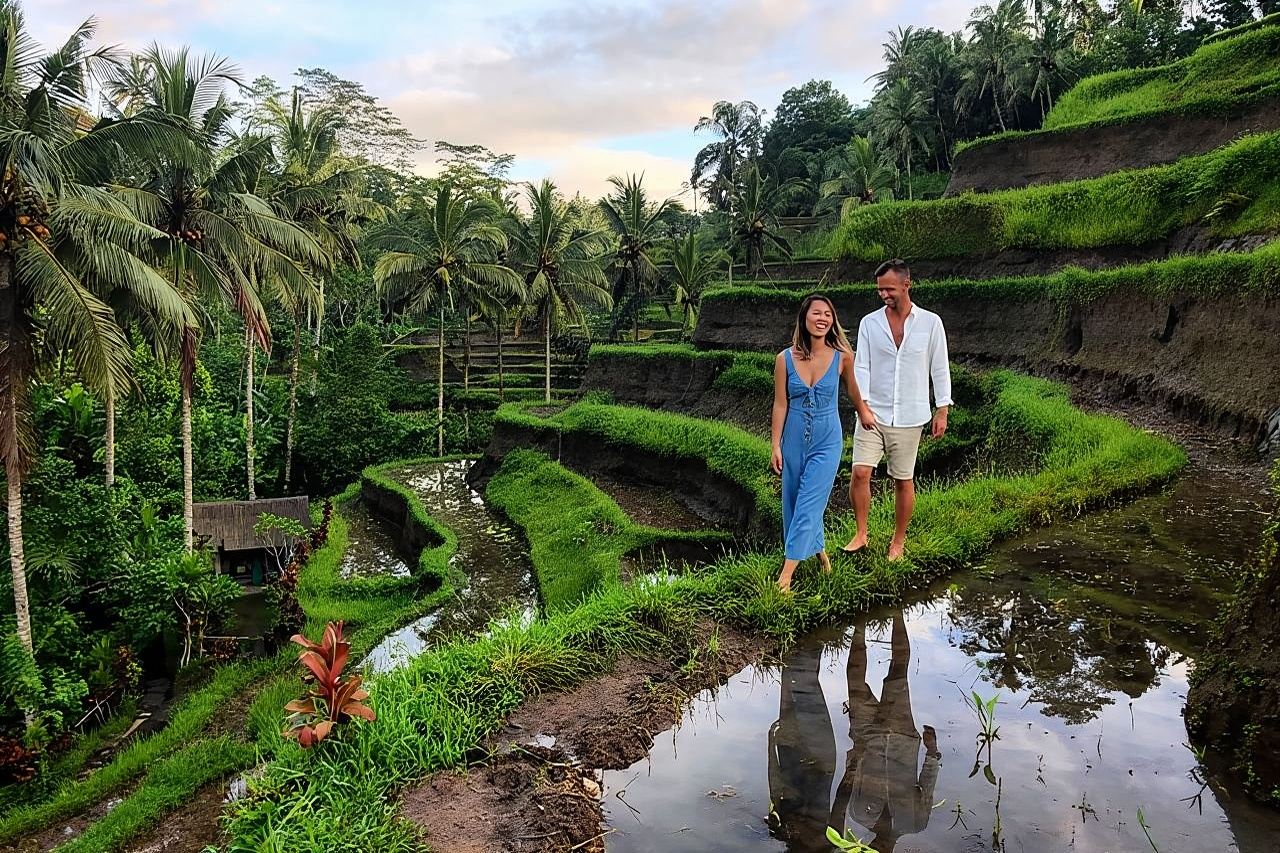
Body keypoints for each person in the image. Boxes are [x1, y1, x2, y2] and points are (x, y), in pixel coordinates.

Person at [842, 259, 952, 561]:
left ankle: (898, 542)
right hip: (872, 413)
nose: (883, 294)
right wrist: (862, 407)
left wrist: (942, 409)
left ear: (907, 284)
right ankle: (862, 533)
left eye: (888, 289)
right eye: (879, 290)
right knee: (861, 472)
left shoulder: (931, 323)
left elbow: (939, 367)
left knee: (903, 480)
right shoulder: (869, 323)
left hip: (910, 416)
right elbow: (861, 366)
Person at [771, 294, 875, 592]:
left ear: (833, 321)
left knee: (809, 501)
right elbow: (780, 405)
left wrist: (864, 412)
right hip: (792, 440)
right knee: (793, 502)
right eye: (816, 313)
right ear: (804, 318)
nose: (822, 318)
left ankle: (786, 574)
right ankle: (823, 557)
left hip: (827, 441)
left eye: (828, 314)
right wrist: (775, 445)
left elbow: (853, 391)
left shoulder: (843, 356)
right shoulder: (784, 359)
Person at [829, 613, 941, 852]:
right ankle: (897, 612)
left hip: (866, 738)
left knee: (854, 679)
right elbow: (927, 786)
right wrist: (932, 750)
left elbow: (852, 774)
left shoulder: (859, 814)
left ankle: (859, 623)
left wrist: (857, 749)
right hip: (902, 738)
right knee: (899, 671)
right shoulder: (916, 823)